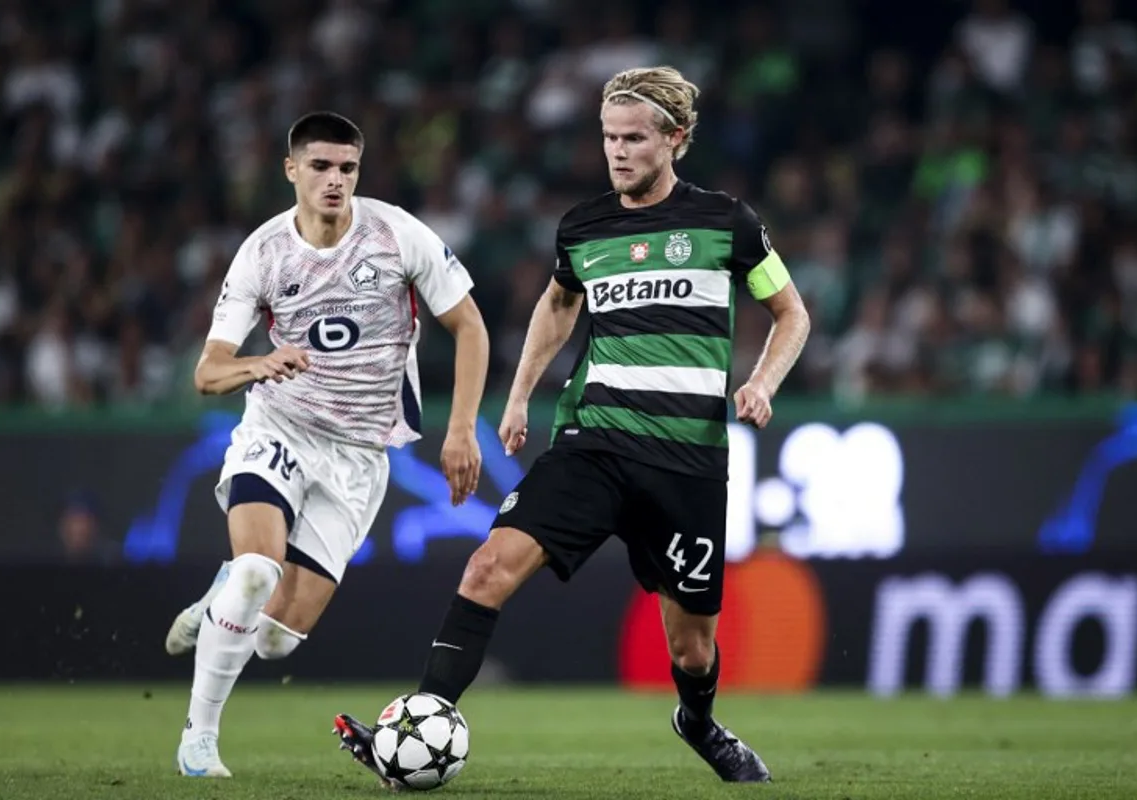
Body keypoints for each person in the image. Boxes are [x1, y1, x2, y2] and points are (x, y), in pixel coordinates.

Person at [334, 66, 809, 784]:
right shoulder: (584, 228)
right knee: (487, 567)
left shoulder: (726, 223)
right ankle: (417, 723)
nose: (618, 152)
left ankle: (699, 723)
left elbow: (791, 313)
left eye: (635, 139)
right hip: (593, 443)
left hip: (687, 462)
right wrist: (521, 394)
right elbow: (559, 306)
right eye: (609, 138)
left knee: (693, 652)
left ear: (675, 139)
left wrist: (762, 382)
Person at [168, 111, 489, 777]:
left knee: (278, 642)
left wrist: (460, 428)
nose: (334, 180)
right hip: (278, 429)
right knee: (260, 569)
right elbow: (209, 372)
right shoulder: (262, 252)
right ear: (291, 170)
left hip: (360, 457)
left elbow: (470, 327)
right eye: (319, 166)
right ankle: (199, 740)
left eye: (346, 168)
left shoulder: (397, 235)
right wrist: (261, 363)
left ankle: (222, 597)